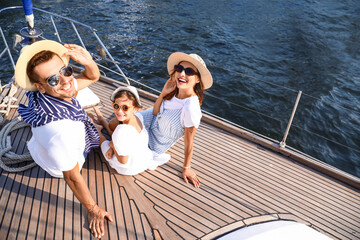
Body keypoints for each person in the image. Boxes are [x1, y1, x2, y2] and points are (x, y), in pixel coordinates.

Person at [15, 40, 112, 238]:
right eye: (52, 80)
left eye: (66, 70)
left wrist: (89, 61)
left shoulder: (53, 90)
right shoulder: (60, 132)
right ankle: (95, 129)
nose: (65, 81)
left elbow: (92, 76)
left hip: (44, 144)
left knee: (89, 117)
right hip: (60, 165)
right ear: (40, 86)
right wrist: (93, 209)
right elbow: (72, 177)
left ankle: (92, 124)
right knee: (93, 123)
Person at [140, 52, 213, 188]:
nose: (182, 74)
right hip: (152, 121)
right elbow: (156, 113)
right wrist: (163, 93)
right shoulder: (174, 90)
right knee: (117, 123)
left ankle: (101, 127)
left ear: (198, 79)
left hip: (156, 141)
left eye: (189, 71)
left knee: (121, 132)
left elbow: (189, 141)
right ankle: (103, 125)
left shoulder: (190, 107)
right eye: (179, 69)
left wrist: (186, 167)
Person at [96, 86, 164, 175]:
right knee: (114, 130)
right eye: (116, 106)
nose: (119, 111)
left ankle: (98, 129)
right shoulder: (139, 117)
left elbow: (123, 161)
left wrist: (112, 146)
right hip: (142, 160)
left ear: (135, 108)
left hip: (128, 168)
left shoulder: (121, 131)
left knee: (102, 140)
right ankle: (104, 124)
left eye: (125, 108)